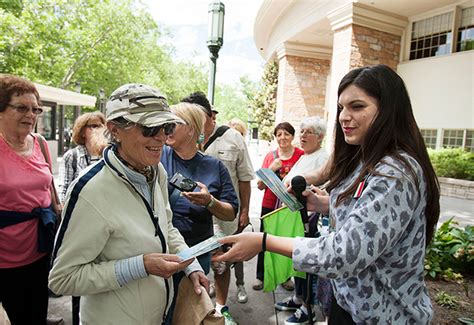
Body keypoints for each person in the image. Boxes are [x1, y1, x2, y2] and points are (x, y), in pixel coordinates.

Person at [214, 65, 440, 324]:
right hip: (349, 304)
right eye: (342, 107)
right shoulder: (366, 159)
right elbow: (366, 213)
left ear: (389, 111)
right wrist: (323, 203)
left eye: (357, 106)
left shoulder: (395, 173)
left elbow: (342, 253)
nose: (344, 116)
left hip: (384, 316)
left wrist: (264, 241)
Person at [48, 83, 208, 324]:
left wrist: (192, 265)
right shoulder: (90, 190)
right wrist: (140, 266)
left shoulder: (156, 171)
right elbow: (62, 279)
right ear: (115, 130)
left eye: (166, 127)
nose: (161, 138)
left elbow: (166, 226)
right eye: (149, 128)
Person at [160, 102, 239, 324]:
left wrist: (210, 202)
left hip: (197, 251)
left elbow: (230, 212)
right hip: (161, 249)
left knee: (188, 310)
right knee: (161, 310)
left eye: (172, 124)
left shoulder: (214, 167)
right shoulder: (157, 156)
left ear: (191, 129)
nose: (166, 129)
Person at [182, 93, 254, 323]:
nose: (191, 121)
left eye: (197, 116)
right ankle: (196, 306)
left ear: (210, 115)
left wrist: (244, 211)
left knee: (222, 264)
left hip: (223, 216)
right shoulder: (179, 137)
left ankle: (221, 308)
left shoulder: (233, 138)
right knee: (191, 264)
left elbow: (244, 178)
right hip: (189, 220)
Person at [0, 74, 63, 325]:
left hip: (40, 247)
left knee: (36, 312)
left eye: (35, 109)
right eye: (21, 108)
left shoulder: (40, 143)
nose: (31, 115)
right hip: (4, 255)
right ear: (1, 110)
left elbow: (50, 191)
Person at [276, 116, 329, 324]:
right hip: (294, 216)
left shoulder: (323, 158)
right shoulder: (306, 155)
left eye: (309, 132)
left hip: (309, 219)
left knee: (307, 263)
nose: (303, 135)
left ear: (321, 137)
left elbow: (323, 189)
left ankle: (309, 307)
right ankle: (299, 298)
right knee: (297, 259)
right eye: (302, 131)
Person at [57, 111, 107, 325]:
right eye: (91, 126)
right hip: (80, 222)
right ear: (81, 130)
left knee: (98, 276)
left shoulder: (109, 153)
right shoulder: (72, 155)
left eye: (99, 126)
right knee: (79, 274)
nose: (96, 130)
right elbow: (65, 188)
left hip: (104, 221)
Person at [254, 122, 304, 291]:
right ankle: (261, 276)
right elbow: (260, 185)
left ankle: (285, 277)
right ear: (275, 137)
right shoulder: (270, 156)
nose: (283, 137)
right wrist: (271, 168)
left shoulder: (300, 155)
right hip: (270, 204)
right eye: (279, 134)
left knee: (287, 241)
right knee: (264, 240)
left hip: (290, 206)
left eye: (286, 134)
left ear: (292, 136)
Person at [58, 111, 107, 203]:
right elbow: (63, 188)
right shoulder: (72, 156)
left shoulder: (109, 154)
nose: (99, 129)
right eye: (94, 126)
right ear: (82, 132)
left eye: (101, 126)